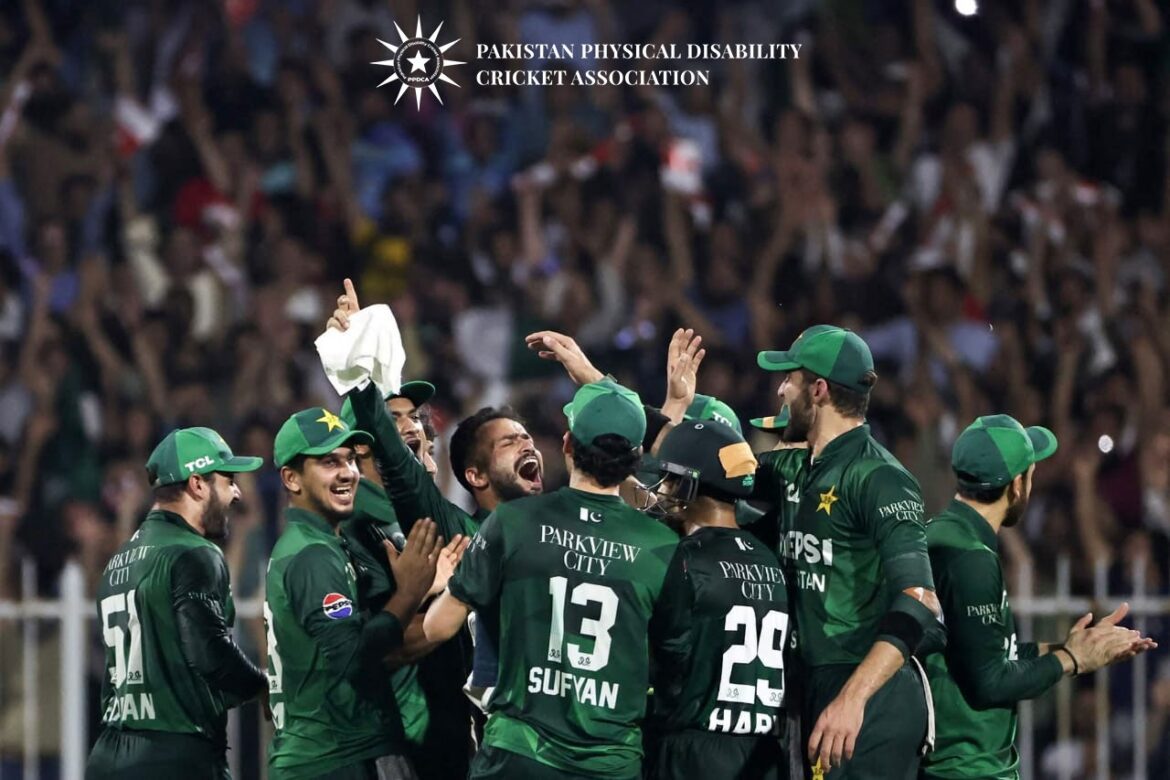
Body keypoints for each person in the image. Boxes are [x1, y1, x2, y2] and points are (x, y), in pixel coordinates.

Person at [329, 278, 544, 774]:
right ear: (474, 475)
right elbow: (401, 472)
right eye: (509, 442)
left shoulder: (561, 524)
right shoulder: (455, 532)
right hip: (462, 744)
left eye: (527, 436)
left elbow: (616, 482)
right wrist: (362, 371)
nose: (528, 445)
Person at [423, 378, 684, 779]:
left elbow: (437, 627)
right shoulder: (662, 546)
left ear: (566, 445)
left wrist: (444, 587)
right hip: (610, 762)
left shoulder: (511, 522)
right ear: (634, 461)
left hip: (520, 755)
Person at [921, 415, 1158, 780]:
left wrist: (1075, 646)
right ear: (1017, 485)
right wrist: (1071, 659)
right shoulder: (970, 556)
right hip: (969, 767)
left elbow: (985, 653)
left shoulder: (946, 533)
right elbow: (988, 681)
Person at [756, 325, 945, 778]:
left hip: (870, 695)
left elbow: (919, 599)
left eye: (790, 379)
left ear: (818, 390)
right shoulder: (794, 468)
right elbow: (700, 463)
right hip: (821, 684)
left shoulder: (879, 477)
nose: (781, 390)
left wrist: (853, 698)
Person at [264, 407, 440, 780]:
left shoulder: (317, 544)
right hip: (336, 756)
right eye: (329, 462)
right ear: (292, 479)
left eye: (350, 459)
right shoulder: (312, 555)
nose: (348, 472)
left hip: (321, 753)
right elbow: (352, 659)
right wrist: (409, 592)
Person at [86, 427, 267, 779]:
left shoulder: (120, 559)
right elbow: (209, 651)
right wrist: (261, 686)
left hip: (108, 756)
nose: (237, 492)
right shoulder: (195, 552)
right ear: (197, 484)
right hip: (175, 755)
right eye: (228, 479)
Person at [643, 419, 789, 780]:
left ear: (691, 484)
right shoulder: (770, 557)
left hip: (694, 749)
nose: (664, 489)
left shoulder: (687, 558)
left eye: (672, 478)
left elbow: (666, 660)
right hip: (762, 752)